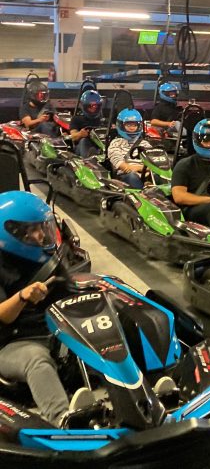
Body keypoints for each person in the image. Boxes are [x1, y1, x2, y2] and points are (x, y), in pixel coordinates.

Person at [0, 191, 95, 427]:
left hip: (50, 332)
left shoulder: (46, 259)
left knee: (103, 334)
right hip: (10, 342)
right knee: (36, 360)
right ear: (13, 233)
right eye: (33, 230)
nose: (42, 234)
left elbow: (70, 296)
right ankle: (62, 420)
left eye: (43, 227)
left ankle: (140, 397)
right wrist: (22, 296)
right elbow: (3, 316)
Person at [171, 119, 210, 234]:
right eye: (206, 141)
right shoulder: (185, 164)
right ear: (197, 141)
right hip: (192, 210)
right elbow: (179, 197)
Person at [107, 108, 152, 189]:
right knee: (132, 176)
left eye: (134, 125)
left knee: (158, 176)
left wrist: (139, 169)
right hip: (125, 176)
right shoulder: (116, 143)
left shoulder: (145, 144)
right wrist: (140, 168)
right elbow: (121, 165)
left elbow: (153, 164)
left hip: (146, 174)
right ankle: (143, 193)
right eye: (129, 125)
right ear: (121, 126)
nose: (132, 128)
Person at [69, 90, 104, 158]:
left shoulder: (103, 120)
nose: (94, 108)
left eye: (96, 105)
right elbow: (73, 137)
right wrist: (80, 134)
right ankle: (89, 160)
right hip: (81, 148)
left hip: (100, 146)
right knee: (84, 141)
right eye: (91, 106)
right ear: (84, 106)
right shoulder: (76, 119)